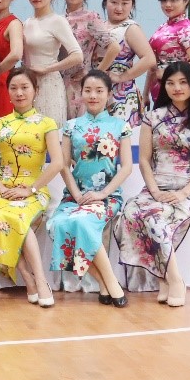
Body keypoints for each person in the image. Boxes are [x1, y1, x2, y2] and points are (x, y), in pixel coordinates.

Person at [116, 63, 190, 307]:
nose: (176, 88)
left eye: (183, 82)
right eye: (170, 83)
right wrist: (154, 190)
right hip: (155, 187)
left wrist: (182, 193)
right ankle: (169, 278)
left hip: (187, 190)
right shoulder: (152, 118)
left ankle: (173, 280)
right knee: (131, 212)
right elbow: (144, 160)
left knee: (155, 221)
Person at [48, 70, 132, 307]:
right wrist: (76, 195)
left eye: (99, 91)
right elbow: (64, 165)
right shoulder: (71, 126)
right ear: (81, 93)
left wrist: (103, 193)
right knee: (57, 224)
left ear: (109, 94)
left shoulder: (120, 126)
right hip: (75, 196)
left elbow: (126, 167)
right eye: (88, 90)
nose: (93, 95)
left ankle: (110, 284)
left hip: (107, 196)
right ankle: (106, 283)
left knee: (83, 223)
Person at [0, 67, 64, 307]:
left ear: (35, 91)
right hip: (3, 192)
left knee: (18, 217)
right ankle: (30, 278)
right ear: (7, 92)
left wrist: (31, 190)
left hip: (34, 191)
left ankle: (39, 279)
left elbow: (57, 162)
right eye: (14, 88)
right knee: (1, 214)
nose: (19, 93)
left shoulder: (47, 123)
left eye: (25, 87)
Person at [22, 0, 82, 125]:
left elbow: (77, 55)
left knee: (49, 132)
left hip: (49, 85)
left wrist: (48, 69)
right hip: (27, 85)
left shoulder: (57, 21)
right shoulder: (27, 22)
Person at [61, 0, 117, 119]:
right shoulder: (58, 19)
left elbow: (114, 47)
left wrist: (94, 74)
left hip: (81, 87)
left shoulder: (90, 18)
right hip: (59, 85)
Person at [101, 0, 154, 126]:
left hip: (122, 95)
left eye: (125, 3)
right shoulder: (100, 26)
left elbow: (149, 59)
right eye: (114, 2)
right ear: (105, 2)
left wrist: (121, 77)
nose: (119, 8)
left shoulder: (130, 28)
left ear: (132, 5)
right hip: (98, 90)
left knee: (120, 135)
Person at [146, 0, 190, 104]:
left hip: (178, 94)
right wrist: (145, 94)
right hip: (159, 93)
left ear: (186, 0)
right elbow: (152, 66)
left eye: (174, 0)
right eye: (164, 0)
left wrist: (167, 73)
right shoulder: (163, 27)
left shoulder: (186, 29)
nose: (168, 5)